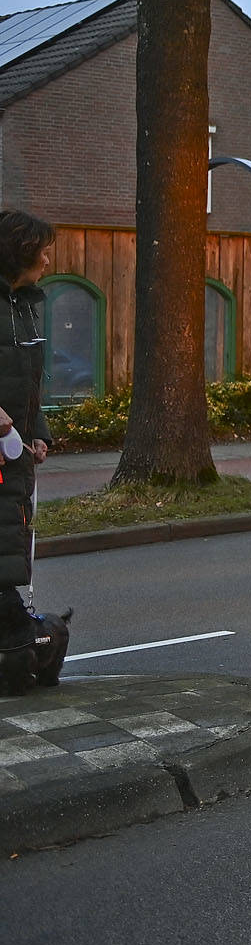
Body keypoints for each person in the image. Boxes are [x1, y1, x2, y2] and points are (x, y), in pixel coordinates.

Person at [0, 211, 55, 694]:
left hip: (13, 449)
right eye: (41, 247)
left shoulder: (24, 306)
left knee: (11, 535)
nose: (47, 257)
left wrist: (37, 430)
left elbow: (31, 381)